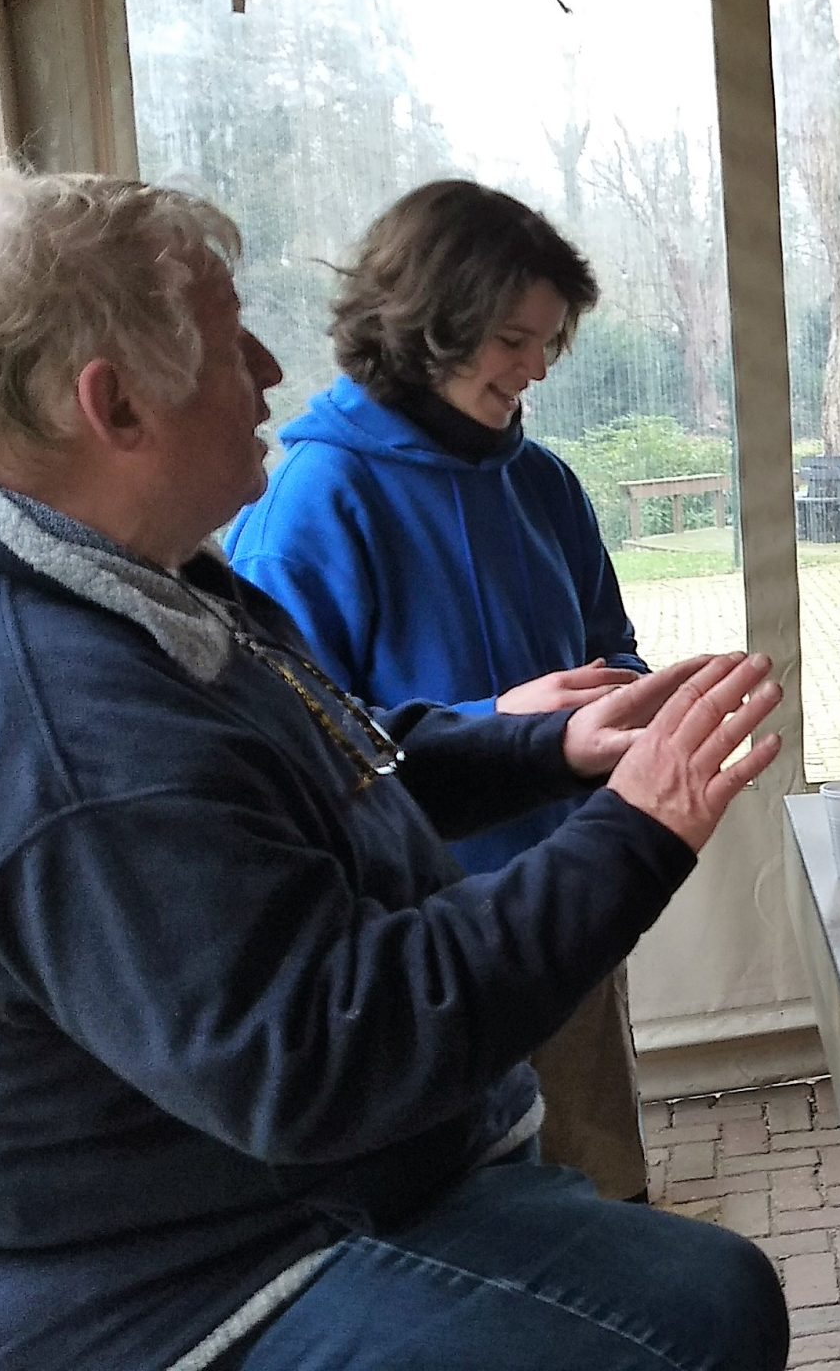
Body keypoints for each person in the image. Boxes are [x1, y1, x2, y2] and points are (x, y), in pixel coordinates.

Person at [0, 171, 790, 1370]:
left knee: (699, 1283)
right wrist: (639, 829)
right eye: (233, 339)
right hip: (151, 1288)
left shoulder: (136, 583)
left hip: (264, 1189)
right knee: (691, 1323)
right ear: (113, 405)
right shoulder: (55, 717)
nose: (275, 369)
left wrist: (547, 746)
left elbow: (336, 764)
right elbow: (327, 1056)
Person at [223, 181, 651, 1200]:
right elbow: (295, 757)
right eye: (513, 337)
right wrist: (502, 727)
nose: (536, 367)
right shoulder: (313, 501)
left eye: (549, 340)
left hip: (567, 908)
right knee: (485, 1221)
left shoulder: (543, 483)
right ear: (423, 327)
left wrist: (623, 700)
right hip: (418, 955)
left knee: (607, 1198)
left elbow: (614, 646)